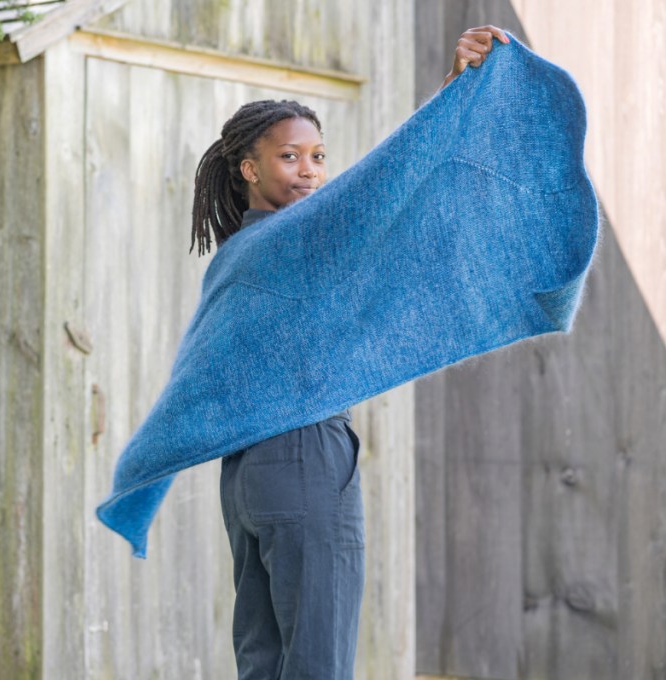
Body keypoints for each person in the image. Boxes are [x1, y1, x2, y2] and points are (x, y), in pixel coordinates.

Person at [187, 25, 510, 680]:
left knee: (265, 659)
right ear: (249, 168)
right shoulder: (298, 241)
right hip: (304, 457)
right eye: (289, 157)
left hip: (248, 471)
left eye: (317, 156)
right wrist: (459, 91)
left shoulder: (237, 252)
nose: (309, 170)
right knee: (315, 663)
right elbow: (398, 196)